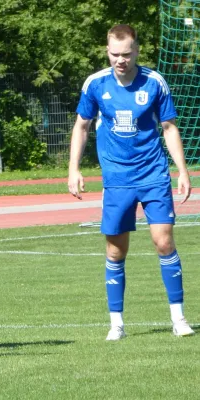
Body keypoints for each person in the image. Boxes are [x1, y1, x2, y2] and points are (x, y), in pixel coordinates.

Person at [68, 24, 194, 340]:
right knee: (115, 251)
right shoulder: (95, 84)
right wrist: (74, 169)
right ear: (107, 51)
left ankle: (178, 319)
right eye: (114, 54)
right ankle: (117, 324)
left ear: (137, 50)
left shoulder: (154, 82)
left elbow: (169, 127)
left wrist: (182, 169)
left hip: (153, 174)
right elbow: (81, 126)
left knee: (164, 241)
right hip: (117, 179)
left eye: (126, 54)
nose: (120, 60)